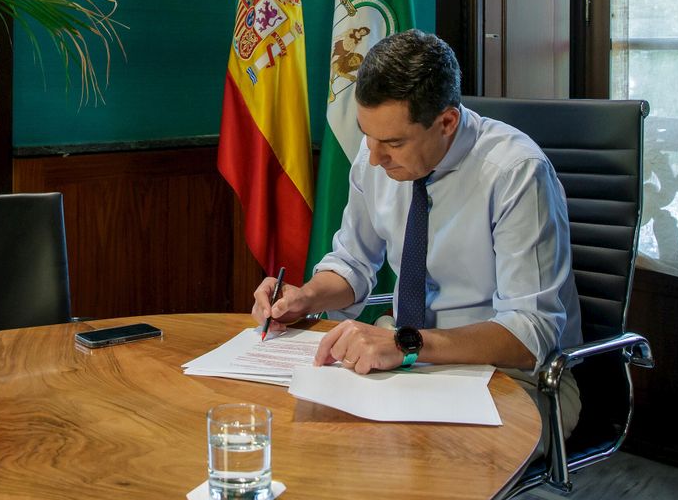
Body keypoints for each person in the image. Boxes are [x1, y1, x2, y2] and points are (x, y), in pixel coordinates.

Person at [250, 28, 583, 431]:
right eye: (367, 136)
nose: (374, 159)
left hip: (513, 378)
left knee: (412, 464)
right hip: (409, 359)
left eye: (392, 142)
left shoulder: (516, 173)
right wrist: (304, 296)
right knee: (302, 423)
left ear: (446, 122)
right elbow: (353, 262)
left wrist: (405, 345)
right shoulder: (376, 153)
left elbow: (532, 333)